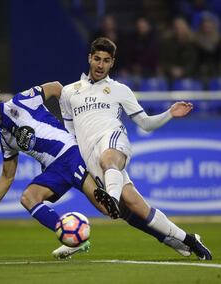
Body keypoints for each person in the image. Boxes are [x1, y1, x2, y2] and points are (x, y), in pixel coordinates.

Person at [0, 83, 193, 260]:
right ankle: (72, 237)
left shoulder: (21, 101)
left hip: (71, 154)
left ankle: (168, 237)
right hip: (54, 170)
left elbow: (56, 87)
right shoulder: (5, 138)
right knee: (28, 197)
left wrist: (72, 122)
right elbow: (7, 176)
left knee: (111, 209)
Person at [58, 37, 212, 260]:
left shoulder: (120, 90)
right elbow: (70, 132)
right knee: (136, 209)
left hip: (113, 139)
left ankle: (110, 197)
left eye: (106, 61)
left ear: (112, 63)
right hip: (90, 156)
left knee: (108, 159)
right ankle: (187, 239)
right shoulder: (69, 92)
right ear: (89, 58)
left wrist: (169, 113)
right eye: (97, 59)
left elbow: (146, 124)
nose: (101, 65)